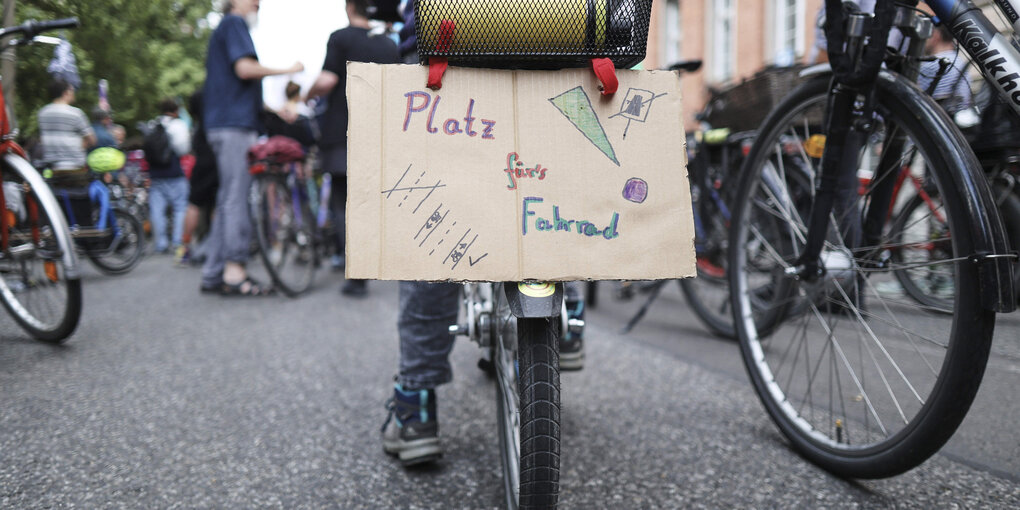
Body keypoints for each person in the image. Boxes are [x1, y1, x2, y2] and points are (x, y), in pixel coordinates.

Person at [373, 1, 582, 466]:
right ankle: (570, 314)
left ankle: (416, 405)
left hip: (448, 41)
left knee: (433, 222)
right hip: (560, 32)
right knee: (564, 183)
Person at [200, 0, 303, 296]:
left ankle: (214, 273)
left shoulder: (224, 27)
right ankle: (235, 271)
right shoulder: (234, 23)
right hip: (234, 126)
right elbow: (245, 69)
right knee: (236, 197)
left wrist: (272, 109)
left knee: (227, 198)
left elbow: (236, 82)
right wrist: (287, 69)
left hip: (225, 123)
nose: (258, 3)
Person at [305, 0, 398, 297]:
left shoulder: (340, 38)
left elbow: (328, 79)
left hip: (343, 133)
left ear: (349, 7)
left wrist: (307, 95)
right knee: (373, 201)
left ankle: (357, 276)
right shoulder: (387, 44)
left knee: (344, 204)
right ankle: (385, 262)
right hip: (380, 133)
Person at [147, 98, 192, 257]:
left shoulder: (153, 124)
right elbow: (183, 149)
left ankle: (161, 243)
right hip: (173, 171)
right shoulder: (178, 125)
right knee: (180, 207)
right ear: (176, 110)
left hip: (155, 173)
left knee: (157, 210)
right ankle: (177, 241)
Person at [179, 91, 219, 266]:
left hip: (201, 165)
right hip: (218, 163)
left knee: (193, 205)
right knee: (219, 205)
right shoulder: (218, 124)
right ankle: (217, 245)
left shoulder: (197, 129)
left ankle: (185, 248)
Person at [37, 78, 96, 189]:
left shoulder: (42, 113)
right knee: (77, 201)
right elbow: (92, 140)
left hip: (52, 169)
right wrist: (82, 145)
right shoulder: (75, 113)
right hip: (74, 168)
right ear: (65, 93)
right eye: (72, 91)